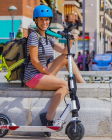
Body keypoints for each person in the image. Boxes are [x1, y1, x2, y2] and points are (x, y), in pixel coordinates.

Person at [23, 5, 86, 134]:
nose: (44, 22)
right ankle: (48, 118)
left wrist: (71, 40)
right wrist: (47, 73)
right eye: (41, 20)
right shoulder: (33, 36)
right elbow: (35, 61)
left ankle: (84, 84)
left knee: (66, 57)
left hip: (43, 72)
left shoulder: (47, 37)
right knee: (65, 85)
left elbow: (64, 51)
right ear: (36, 20)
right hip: (33, 76)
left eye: (46, 19)